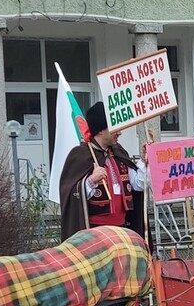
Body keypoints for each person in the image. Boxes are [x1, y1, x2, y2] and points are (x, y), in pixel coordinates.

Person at [59, 101, 148, 240]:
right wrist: (90, 181)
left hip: (123, 231)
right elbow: (70, 195)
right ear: (100, 129)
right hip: (95, 235)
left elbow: (138, 185)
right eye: (115, 127)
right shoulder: (81, 155)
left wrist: (143, 161)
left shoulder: (119, 153)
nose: (120, 132)